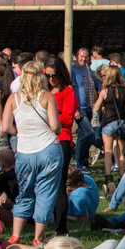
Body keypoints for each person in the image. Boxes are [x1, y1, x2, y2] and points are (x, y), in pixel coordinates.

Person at [1, 61, 62, 247]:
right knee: (45, 193)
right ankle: (38, 238)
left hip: (24, 151)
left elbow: (5, 127)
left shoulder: (14, 98)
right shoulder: (47, 96)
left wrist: (21, 131)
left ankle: (15, 236)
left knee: (25, 193)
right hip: (48, 149)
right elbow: (54, 126)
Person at [44, 58, 78, 236]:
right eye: (47, 76)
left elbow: (68, 119)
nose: (51, 79)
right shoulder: (46, 91)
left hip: (62, 138)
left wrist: (52, 114)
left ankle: (61, 228)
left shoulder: (68, 91)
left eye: (54, 76)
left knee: (59, 186)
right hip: (44, 138)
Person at [93, 65, 125, 186]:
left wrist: (104, 106)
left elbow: (96, 107)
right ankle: (122, 177)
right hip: (121, 122)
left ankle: (108, 177)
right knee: (121, 153)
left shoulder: (105, 91)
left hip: (108, 123)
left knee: (108, 151)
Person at [70, 48, 99, 171]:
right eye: (81, 57)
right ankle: (79, 162)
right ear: (76, 57)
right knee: (89, 132)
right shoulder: (72, 70)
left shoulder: (86, 69)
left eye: (86, 57)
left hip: (87, 106)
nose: (84, 59)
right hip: (79, 108)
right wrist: (75, 108)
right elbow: (71, 90)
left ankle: (84, 163)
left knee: (84, 134)